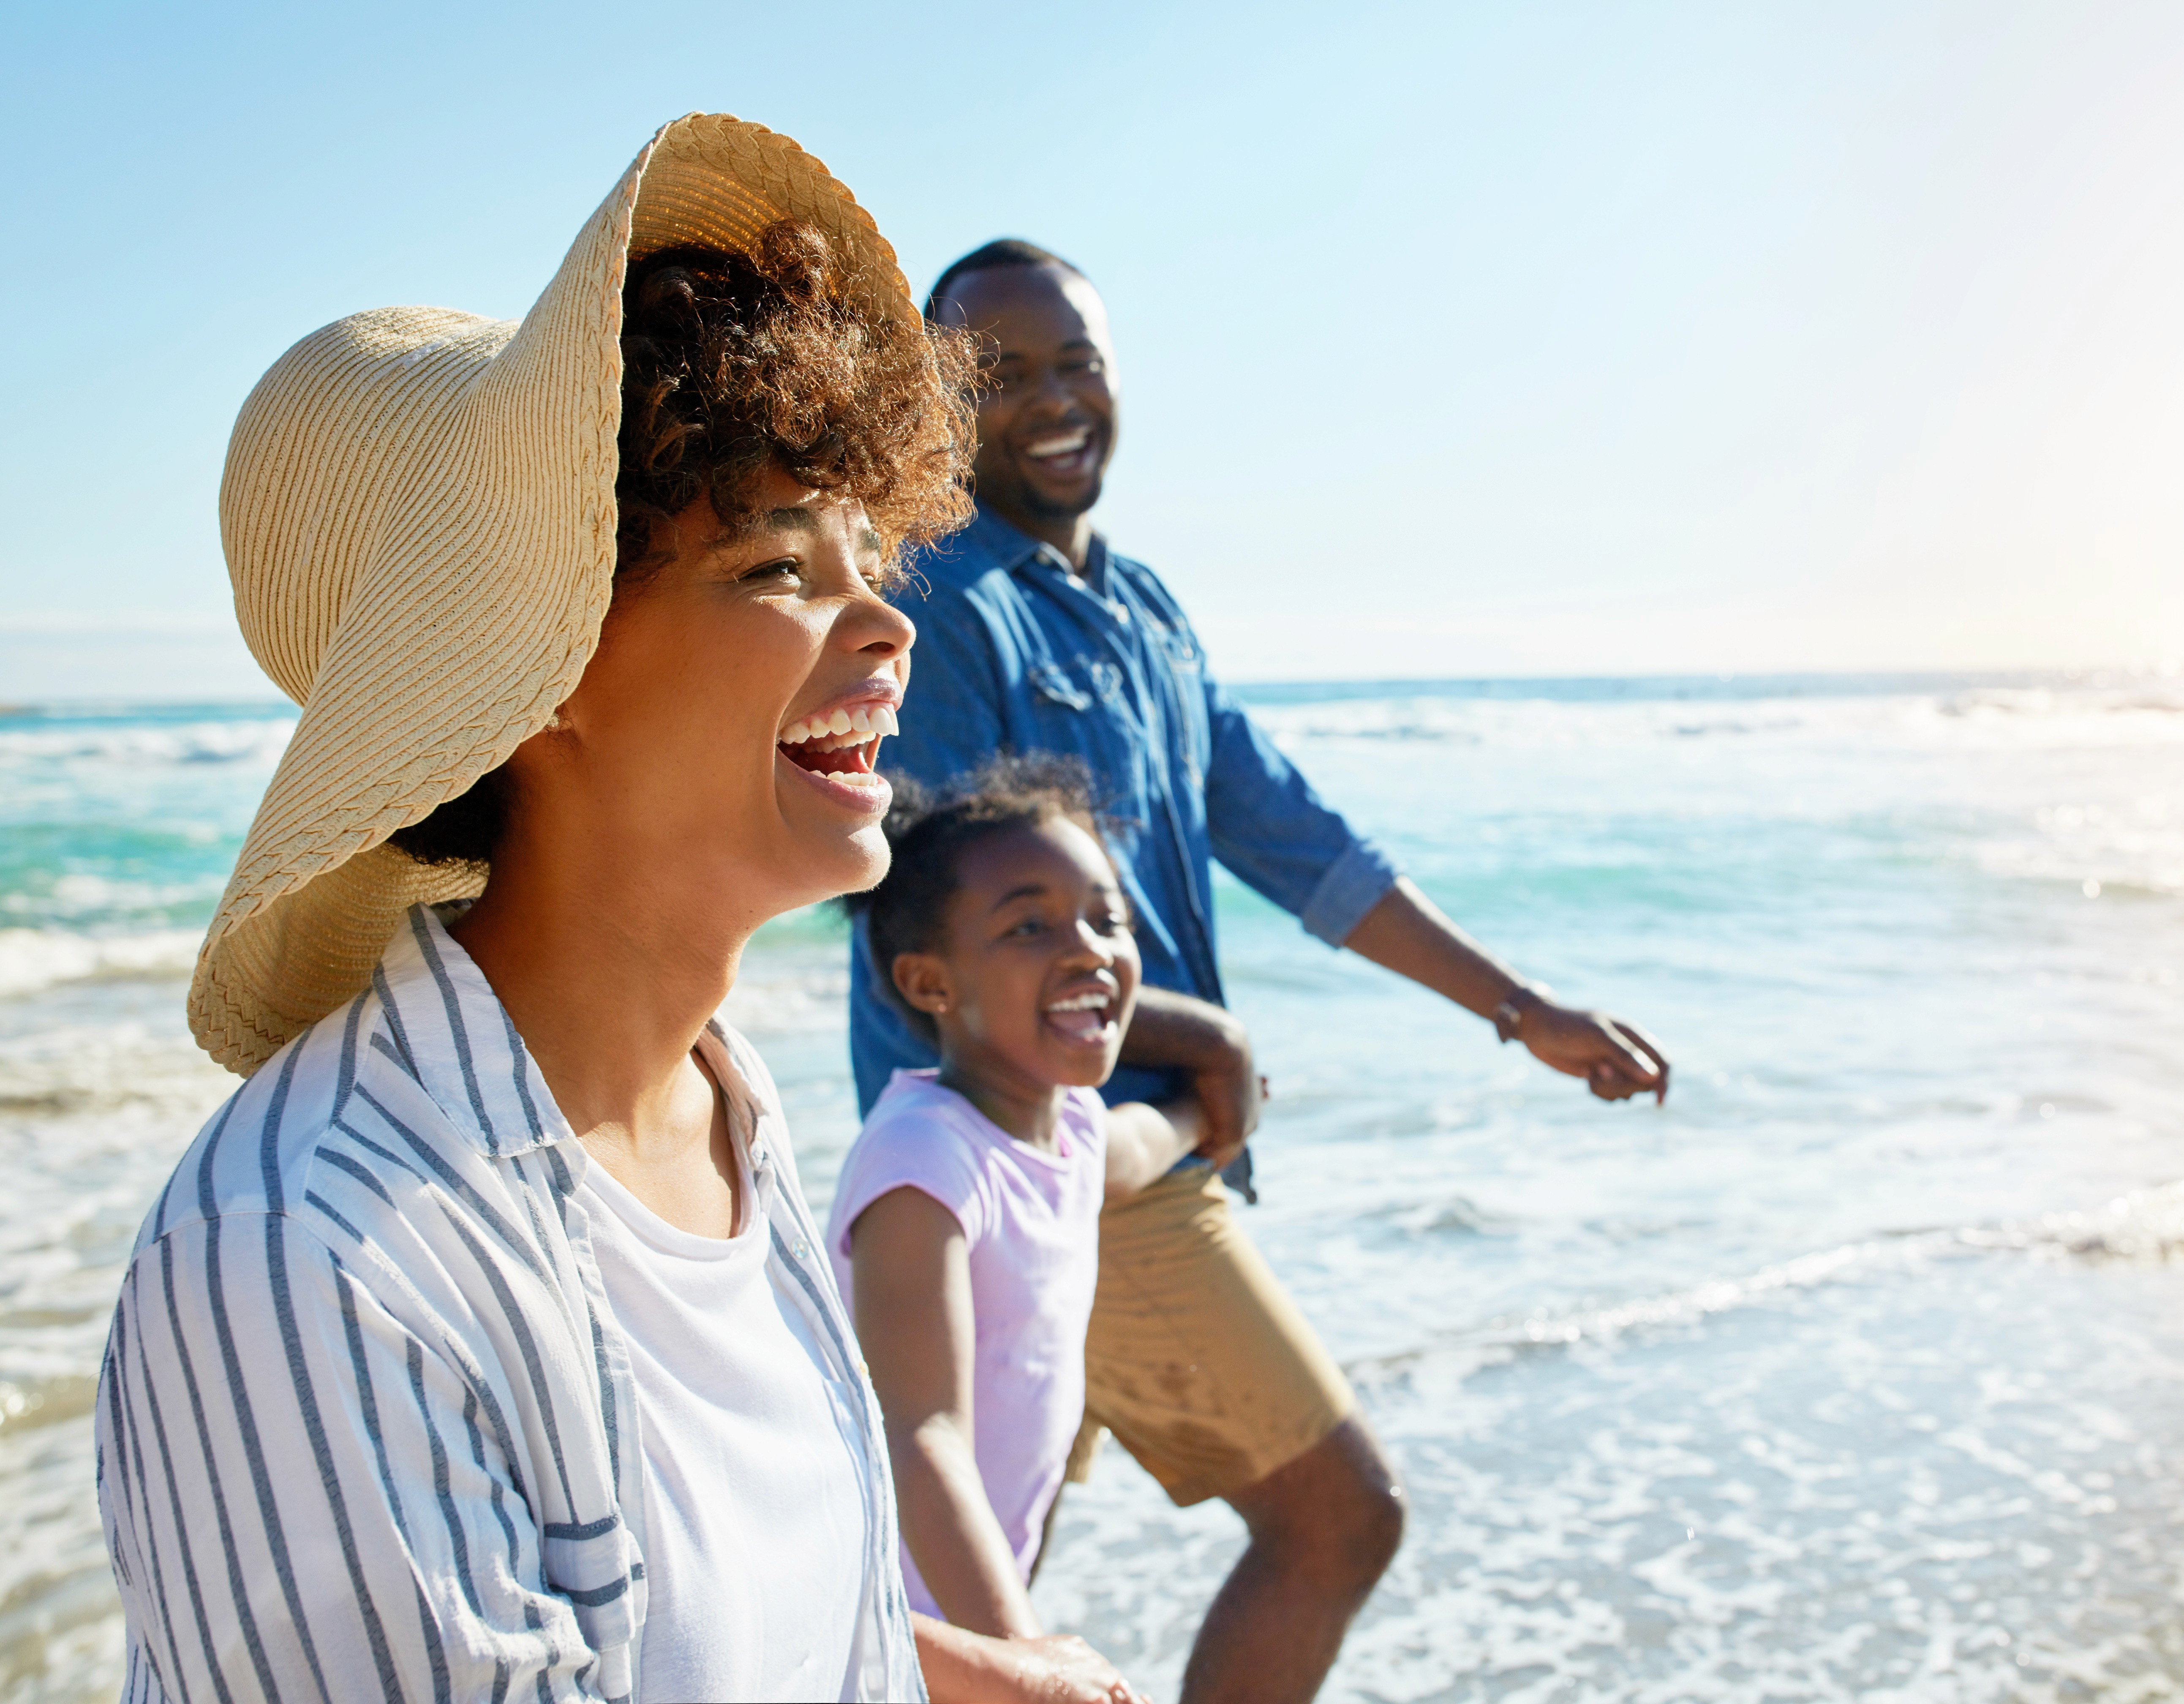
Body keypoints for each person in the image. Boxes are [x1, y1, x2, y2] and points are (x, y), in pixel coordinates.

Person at [93, 118, 1138, 1704]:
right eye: (778, 566)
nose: (884, 622)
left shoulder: (722, 1112)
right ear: (536, 674)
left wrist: (955, 1672)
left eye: (871, 553)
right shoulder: (310, 1256)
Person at [848, 237, 1674, 1704]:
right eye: (1005, 372)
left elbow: (1293, 835)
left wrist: (1515, 1006)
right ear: (937, 403)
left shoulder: (1148, 608)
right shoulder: (944, 608)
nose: (1055, 397)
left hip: (1137, 1142)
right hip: (1049, 1158)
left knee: (984, 1570)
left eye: (1079, 360)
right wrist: (1209, 1041)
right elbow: (956, 931)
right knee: (1337, 1513)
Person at [827, 757, 1200, 1649]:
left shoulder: (1063, 1125)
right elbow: (923, 1434)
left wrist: (1202, 1112)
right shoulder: (925, 1161)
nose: (1089, 948)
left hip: (969, 1595)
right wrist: (1021, 1658)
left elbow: (1128, 1150)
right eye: (1029, 925)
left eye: (1106, 917)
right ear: (930, 984)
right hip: (892, 1626)